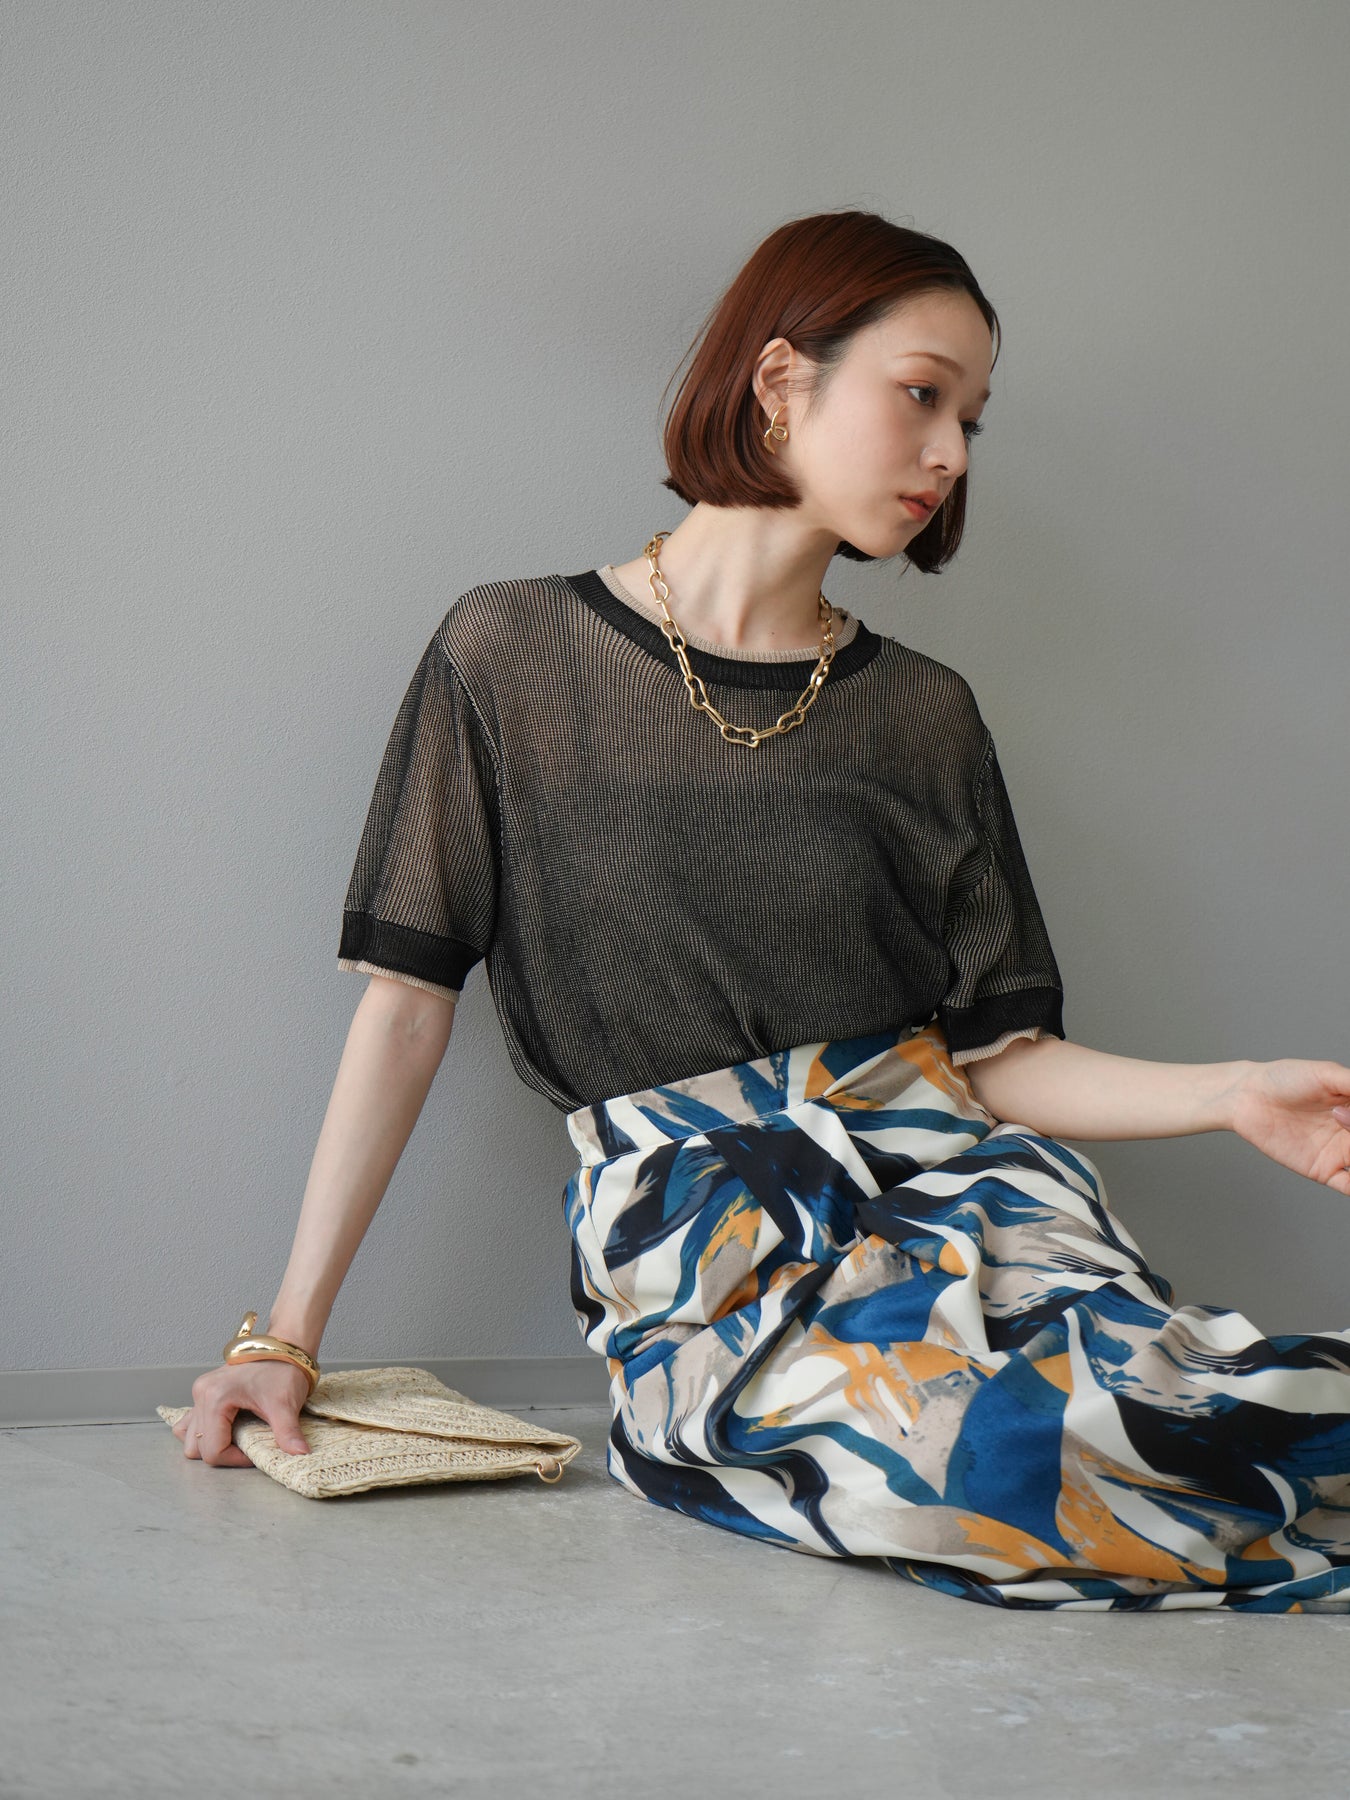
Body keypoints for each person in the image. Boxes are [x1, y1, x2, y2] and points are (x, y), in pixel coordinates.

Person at [175, 208, 1350, 1612]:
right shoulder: (511, 654)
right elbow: (405, 1011)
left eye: (972, 419)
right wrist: (287, 1338)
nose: (952, 455)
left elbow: (999, 1062)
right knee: (973, 1464)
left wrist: (1234, 1092)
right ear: (781, 379)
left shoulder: (922, 715)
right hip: (700, 1234)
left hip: (963, 1191)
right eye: (922, 395)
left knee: (1170, 1412)